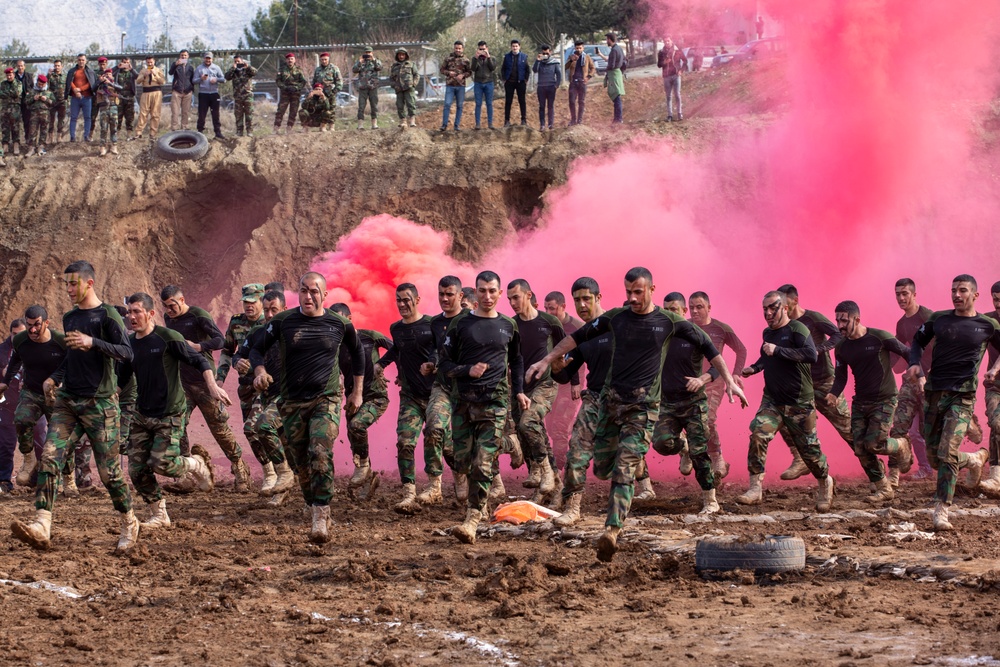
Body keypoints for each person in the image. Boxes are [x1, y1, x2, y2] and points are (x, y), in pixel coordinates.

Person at [526, 267, 746, 561]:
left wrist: (728, 380)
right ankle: (606, 498)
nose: (632, 298)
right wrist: (547, 360)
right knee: (602, 467)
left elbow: (708, 346)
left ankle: (612, 530)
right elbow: (577, 338)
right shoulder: (616, 318)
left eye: (638, 292)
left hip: (643, 410)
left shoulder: (669, 321)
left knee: (625, 467)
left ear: (652, 289)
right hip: (611, 404)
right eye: (628, 291)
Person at [10, 261, 137, 552]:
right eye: (65, 284)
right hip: (68, 400)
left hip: (100, 403)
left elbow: (127, 353)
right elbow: (70, 359)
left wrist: (93, 341)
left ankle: (129, 521)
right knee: (51, 457)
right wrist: (53, 379)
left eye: (73, 284)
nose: (68, 289)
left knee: (109, 473)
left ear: (89, 283)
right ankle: (42, 523)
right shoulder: (69, 317)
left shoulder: (107, 316)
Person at [251, 272, 365, 544]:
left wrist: (357, 392)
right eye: (304, 290)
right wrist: (259, 370)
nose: (309, 296)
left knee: (320, 451)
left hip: (326, 399)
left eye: (315, 291)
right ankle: (313, 505)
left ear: (325, 295)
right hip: (292, 403)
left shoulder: (339, 324)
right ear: (297, 293)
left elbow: (359, 353)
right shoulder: (283, 322)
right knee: (301, 463)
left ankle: (321, 515)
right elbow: (256, 349)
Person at [117, 292, 221, 530]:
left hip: (170, 412)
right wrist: (112, 395)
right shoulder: (130, 344)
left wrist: (212, 386)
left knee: (163, 464)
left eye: (137, 311)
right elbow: (122, 377)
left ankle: (195, 464)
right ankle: (159, 513)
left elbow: (200, 360)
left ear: (151, 314)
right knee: (137, 468)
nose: (131, 317)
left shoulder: (168, 338)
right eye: (129, 312)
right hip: (142, 413)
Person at [907, 275, 1000, 531]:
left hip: (963, 396)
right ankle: (974, 459)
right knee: (936, 458)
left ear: (975, 295)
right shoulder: (939, 319)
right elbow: (917, 341)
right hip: (934, 394)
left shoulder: (987, 325)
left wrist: (995, 368)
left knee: (947, 451)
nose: (956, 295)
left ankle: (942, 510)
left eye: (962, 291)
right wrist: (915, 363)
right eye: (953, 291)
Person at [440, 271, 527, 544]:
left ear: (499, 293)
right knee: (462, 461)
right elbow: (444, 365)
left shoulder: (509, 326)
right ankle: (510, 444)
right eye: (482, 291)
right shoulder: (459, 325)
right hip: (464, 401)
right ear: (473, 294)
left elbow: (517, 360)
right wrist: (468, 370)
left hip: (495, 401)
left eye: (492, 291)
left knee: (482, 463)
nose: (487, 296)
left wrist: (520, 390)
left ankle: (472, 519)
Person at [736, 291, 835, 514]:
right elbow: (766, 356)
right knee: (758, 433)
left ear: (785, 308)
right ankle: (755, 488)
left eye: (773, 308)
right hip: (772, 399)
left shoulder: (798, 329)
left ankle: (825, 482)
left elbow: (811, 355)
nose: (768, 313)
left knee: (810, 451)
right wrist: (755, 368)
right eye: (765, 309)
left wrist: (778, 350)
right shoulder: (767, 332)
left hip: (799, 402)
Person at [160, 285, 252, 492]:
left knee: (218, 427)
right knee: (177, 424)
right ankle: (184, 474)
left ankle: (240, 468)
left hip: (204, 380)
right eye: (165, 307)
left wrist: (199, 347)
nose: (169, 310)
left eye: (172, 305)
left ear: (182, 300)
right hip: (182, 381)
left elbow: (220, 340)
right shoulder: (168, 320)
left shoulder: (198, 315)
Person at [827, 300, 914, 502]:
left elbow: (907, 352)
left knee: (874, 444)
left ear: (857, 319)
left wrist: (916, 371)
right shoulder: (841, 347)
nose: (839, 325)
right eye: (837, 320)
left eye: (844, 321)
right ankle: (884, 487)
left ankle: (901, 445)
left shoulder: (879, 337)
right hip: (860, 401)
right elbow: (841, 376)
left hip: (884, 399)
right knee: (859, 447)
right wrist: (833, 393)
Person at [646, 293, 724, 513]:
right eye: (666, 308)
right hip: (667, 404)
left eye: (674, 309)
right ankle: (684, 448)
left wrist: (702, 379)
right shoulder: (658, 335)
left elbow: (717, 364)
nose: (669, 313)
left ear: (683, 312)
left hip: (693, 402)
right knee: (661, 444)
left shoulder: (695, 334)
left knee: (701, 453)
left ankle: (710, 499)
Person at [775, 284, 854, 479]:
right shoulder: (781, 325)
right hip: (800, 385)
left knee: (847, 429)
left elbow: (837, 334)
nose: (781, 308)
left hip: (824, 381)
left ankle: (874, 468)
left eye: (785, 304)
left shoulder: (812, 318)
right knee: (784, 418)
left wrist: (820, 349)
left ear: (795, 300)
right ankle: (800, 459)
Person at [507, 279, 573, 503]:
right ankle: (555, 486)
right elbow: (513, 360)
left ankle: (544, 472)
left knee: (528, 422)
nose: (513, 303)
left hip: (545, 383)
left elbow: (564, 350)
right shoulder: (511, 324)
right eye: (509, 299)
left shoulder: (550, 321)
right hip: (520, 387)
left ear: (529, 295)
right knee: (528, 432)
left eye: (516, 297)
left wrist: (569, 377)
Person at [550, 278, 609, 525]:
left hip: (627, 401)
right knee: (577, 452)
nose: (582, 305)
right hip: (594, 399)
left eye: (587, 298)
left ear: (598, 297)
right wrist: (555, 366)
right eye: (577, 300)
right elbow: (564, 374)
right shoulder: (582, 335)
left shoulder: (617, 324)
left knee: (612, 462)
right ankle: (572, 507)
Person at [376, 284, 440, 511]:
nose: (402, 305)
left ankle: (435, 485)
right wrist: (380, 365)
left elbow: (442, 349)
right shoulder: (396, 329)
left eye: (406, 300)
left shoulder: (432, 324)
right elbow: (397, 350)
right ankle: (409, 493)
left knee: (438, 438)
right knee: (405, 442)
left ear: (417, 299)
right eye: (399, 300)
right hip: (410, 395)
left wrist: (434, 364)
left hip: (435, 394)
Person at [232, 289, 295, 499]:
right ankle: (276, 476)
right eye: (266, 310)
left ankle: (293, 481)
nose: (269, 315)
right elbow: (241, 353)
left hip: (291, 395)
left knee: (274, 433)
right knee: (255, 429)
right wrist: (238, 362)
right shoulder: (258, 333)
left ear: (284, 309)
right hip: (267, 395)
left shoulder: (294, 331)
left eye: (273, 310)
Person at [329, 303, 391, 502]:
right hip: (352, 400)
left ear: (350, 318)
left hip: (375, 397)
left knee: (357, 426)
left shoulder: (368, 336)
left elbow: (398, 348)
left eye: (342, 320)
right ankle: (368, 479)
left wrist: (385, 366)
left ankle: (363, 467)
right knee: (355, 440)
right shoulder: (334, 347)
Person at [688, 291, 746, 479]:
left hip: (714, 381)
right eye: (691, 307)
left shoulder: (721, 328)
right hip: (690, 381)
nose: (695, 311)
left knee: (708, 418)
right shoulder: (685, 326)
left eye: (699, 307)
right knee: (689, 418)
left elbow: (741, 349)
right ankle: (688, 451)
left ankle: (717, 457)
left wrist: (736, 374)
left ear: (709, 308)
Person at [422, 276, 467, 501]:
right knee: (434, 427)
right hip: (443, 385)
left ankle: (461, 473)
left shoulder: (471, 320)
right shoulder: (436, 322)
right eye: (441, 294)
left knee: (465, 439)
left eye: (450, 294)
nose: (445, 298)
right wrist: (431, 362)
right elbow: (435, 348)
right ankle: (434, 485)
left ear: (460, 296)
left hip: (467, 388)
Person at [892, 278, 936, 478]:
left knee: (929, 429)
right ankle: (924, 468)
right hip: (912, 380)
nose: (901, 298)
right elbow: (899, 352)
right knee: (908, 428)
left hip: (933, 380)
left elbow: (942, 345)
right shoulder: (902, 324)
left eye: (905, 294)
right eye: (898, 294)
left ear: (914, 294)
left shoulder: (927, 316)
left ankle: (945, 463)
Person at [1, 317, 50, 493]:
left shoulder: (36, 347)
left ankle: (40, 479)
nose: (17, 337)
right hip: (8, 405)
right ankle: (4, 480)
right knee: (6, 443)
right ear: (9, 334)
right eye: (14, 334)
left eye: (20, 333)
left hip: (34, 402)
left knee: (40, 440)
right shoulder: (2, 351)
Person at [542, 290, 584, 467]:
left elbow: (582, 356)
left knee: (559, 427)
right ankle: (573, 452)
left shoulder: (578, 326)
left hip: (570, 385)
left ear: (563, 307)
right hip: (550, 384)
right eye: (546, 308)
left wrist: (576, 383)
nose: (548, 312)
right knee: (551, 427)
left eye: (552, 308)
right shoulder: (546, 324)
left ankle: (560, 469)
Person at [218, 283, 266, 422]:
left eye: (253, 302)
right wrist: (220, 379)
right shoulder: (236, 322)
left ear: (262, 301)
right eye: (245, 302)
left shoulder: (269, 322)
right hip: (245, 386)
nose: (248, 305)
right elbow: (227, 351)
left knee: (257, 427)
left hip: (264, 385)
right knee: (250, 433)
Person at [979, 281, 1000, 495]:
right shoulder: (987, 321)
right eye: (995, 299)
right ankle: (996, 477)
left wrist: (995, 368)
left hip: (994, 375)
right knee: (997, 424)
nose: (998, 303)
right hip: (994, 385)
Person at [440, 41, 472, 132]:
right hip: (450, 85)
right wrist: (449, 73)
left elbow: (469, 72)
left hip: (461, 86)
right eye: (456, 48)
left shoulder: (466, 60)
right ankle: (444, 125)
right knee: (447, 104)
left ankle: (456, 126)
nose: (458, 50)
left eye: (459, 48)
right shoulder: (448, 59)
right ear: (454, 48)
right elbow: (442, 69)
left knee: (460, 106)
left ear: (462, 49)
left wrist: (463, 75)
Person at [225, 55, 258, 137]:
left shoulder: (247, 70)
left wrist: (248, 67)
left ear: (242, 61)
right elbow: (227, 77)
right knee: (238, 115)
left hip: (247, 95)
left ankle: (249, 131)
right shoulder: (234, 72)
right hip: (238, 96)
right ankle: (239, 131)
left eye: (238, 61)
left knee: (249, 114)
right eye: (235, 61)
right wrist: (233, 68)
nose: (237, 63)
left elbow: (255, 72)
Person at [66, 54, 96, 143]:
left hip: (87, 98)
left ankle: (86, 136)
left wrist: (80, 89)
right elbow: (69, 82)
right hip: (75, 98)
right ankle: (72, 137)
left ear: (86, 61)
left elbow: (91, 83)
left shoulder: (90, 71)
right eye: (79, 60)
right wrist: (75, 90)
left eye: (83, 60)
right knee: (73, 117)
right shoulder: (72, 71)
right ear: (77, 60)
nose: (81, 61)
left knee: (87, 117)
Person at [194, 52, 225, 139]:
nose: (208, 60)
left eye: (209, 58)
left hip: (214, 94)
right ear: (204, 59)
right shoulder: (199, 68)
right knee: (202, 114)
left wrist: (216, 79)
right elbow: (193, 80)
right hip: (203, 94)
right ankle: (200, 132)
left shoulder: (216, 68)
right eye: (206, 58)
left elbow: (223, 79)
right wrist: (201, 79)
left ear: (212, 59)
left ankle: (218, 132)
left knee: (216, 114)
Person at [274, 53, 307, 134]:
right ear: (286, 60)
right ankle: (276, 128)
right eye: (288, 59)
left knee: (293, 111)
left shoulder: (299, 70)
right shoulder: (281, 70)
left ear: (294, 60)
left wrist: (296, 88)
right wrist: (285, 87)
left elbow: (303, 81)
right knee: (280, 110)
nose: (290, 60)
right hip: (285, 93)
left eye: (291, 59)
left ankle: (289, 127)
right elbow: (278, 81)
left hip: (295, 93)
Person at [134, 56, 165, 141]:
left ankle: (153, 133)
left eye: (151, 62)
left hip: (156, 92)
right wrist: (144, 75)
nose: (150, 64)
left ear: (154, 61)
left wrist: (155, 74)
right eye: (148, 62)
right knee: (143, 113)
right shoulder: (143, 71)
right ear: (146, 62)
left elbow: (162, 82)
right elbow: (138, 81)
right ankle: (138, 132)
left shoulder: (159, 70)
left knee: (155, 114)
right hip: (146, 92)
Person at [565, 41, 595, 126]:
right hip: (573, 82)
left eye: (580, 48)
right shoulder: (571, 57)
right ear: (575, 48)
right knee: (571, 101)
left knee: (581, 101)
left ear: (583, 48)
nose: (578, 50)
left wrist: (588, 77)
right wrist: (571, 60)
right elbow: (565, 67)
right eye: (577, 48)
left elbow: (593, 68)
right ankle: (573, 119)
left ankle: (580, 120)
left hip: (582, 82)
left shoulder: (587, 57)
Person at [93, 65, 122, 156]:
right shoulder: (100, 85)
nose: (108, 76)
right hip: (103, 108)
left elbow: (121, 88)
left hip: (113, 107)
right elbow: (93, 89)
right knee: (104, 128)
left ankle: (114, 145)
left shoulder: (114, 83)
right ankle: (102, 147)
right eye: (106, 74)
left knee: (114, 127)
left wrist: (110, 82)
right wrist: (99, 81)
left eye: (110, 74)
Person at [532, 45, 562, 131]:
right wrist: (537, 60)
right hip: (541, 87)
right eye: (543, 53)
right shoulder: (539, 62)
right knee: (541, 106)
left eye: (547, 53)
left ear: (550, 52)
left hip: (551, 87)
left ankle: (550, 124)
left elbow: (559, 74)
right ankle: (542, 125)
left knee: (550, 106)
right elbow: (534, 70)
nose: (545, 54)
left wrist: (557, 85)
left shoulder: (554, 62)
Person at [352, 46, 382, 130]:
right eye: (366, 52)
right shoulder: (361, 62)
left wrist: (374, 60)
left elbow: (379, 68)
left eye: (369, 52)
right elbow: (354, 70)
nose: (368, 54)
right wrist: (359, 62)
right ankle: (360, 124)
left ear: (372, 53)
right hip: (363, 87)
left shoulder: (376, 61)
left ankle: (374, 124)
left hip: (373, 87)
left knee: (374, 106)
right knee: (361, 106)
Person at [657, 37, 687, 122]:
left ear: (671, 41)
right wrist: (664, 62)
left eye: (668, 41)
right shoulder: (661, 53)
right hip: (666, 76)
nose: (666, 42)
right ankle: (669, 115)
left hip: (676, 75)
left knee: (677, 94)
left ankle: (679, 113)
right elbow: (659, 65)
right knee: (668, 96)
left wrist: (681, 70)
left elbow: (685, 61)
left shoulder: (677, 50)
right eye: (665, 41)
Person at [501, 40, 529, 127]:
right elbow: (503, 69)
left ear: (519, 47)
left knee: (522, 101)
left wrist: (525, 79)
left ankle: (523, 120)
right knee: (508, 101)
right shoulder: (507, 57)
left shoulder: (524, 57)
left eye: (516, 46)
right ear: (511, 47)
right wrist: (504, 79)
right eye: (513, 46)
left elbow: (527, 69)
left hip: (520, 82)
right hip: (509, 82)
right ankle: (506, 120)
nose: (515, 48)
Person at [390, 48, 418, 129]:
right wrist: (394, 85)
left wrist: (414, 84)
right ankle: (403, 121)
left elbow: (416, 75)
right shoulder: (394, 66)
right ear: (397, 56)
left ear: (405, 55)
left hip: (409, 88)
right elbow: (391, 78)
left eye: (403, 54)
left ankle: (412, 121)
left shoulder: (411, 64)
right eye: (399, 55)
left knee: (411, 104)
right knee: (400, 105)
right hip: (399, 89)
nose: (401, 56)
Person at [470, 41, 496, 130]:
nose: (482, 51)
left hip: (489, 82)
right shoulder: (475, 59)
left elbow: (492, 68)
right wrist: (476, 58)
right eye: (480, 49)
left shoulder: (492, 58)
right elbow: (473, 69)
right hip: (478, 83)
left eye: (483, 49)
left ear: (487, 48)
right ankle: (477, 124)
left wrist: (488, 57)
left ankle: (490, 123)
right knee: (478, 103)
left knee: (489, 103)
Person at [25, 74, 53, 156]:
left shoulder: (49, 92)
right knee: (32, 131)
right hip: (34, 114)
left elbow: (53, 103)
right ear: (37, 82)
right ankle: (31, 148)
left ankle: (41, 147)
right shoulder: (32, 91)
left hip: (45, 115)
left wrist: (46, 99)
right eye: (39, 84)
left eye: (42, 84)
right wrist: (33, 99)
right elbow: (26, 101)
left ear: (45, 83)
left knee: (44, 131)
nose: (41, 86)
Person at [168, 50, 195, 131]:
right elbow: (170, 73)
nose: (183, 57)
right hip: (177, 91)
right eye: (182, 55)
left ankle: (184, 127)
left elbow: (192, 79)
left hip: (187, 92)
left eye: (185, 55)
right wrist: (175, 65)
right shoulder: (175, 65)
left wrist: (191, 89)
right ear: (180, 56)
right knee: (175, 112)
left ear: (188, 56)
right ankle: (174, 128)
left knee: (186, 111)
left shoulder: (190, 67)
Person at [604, 33, 627, 125]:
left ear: (610, 39)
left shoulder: (614, 50)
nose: (606, 41)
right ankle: (617, 118)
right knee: (617, 96)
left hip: (614, 74)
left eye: (607, 39)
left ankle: (618, 119)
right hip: (618, 73)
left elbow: (611, 65)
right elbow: (625, 62)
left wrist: (606, 70)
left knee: (616, 96)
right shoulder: (619, 49)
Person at [112, 57, 137, 136]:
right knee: (118, 116)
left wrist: (131, 69)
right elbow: (109, 73)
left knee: (130, 116)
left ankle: (129, 134)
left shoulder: (131, 72)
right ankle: (117, 134)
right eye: (124, 62)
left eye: (127, 62)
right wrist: (117, 67)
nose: (126, 64)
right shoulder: (118, 72)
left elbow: (138, 76)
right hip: (119, 95)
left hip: (129, 96)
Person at [1, 67, 23, 157]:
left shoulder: (18, 83)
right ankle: (5, 144)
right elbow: (0, 94)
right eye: (7, 75)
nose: (9, 77)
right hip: (5, 108)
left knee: (15, 127)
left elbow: (17, 93)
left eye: (10, 75)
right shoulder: (3, 83)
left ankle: (16, 144)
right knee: (5, 126)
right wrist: (10, 93)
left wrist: (6, 93)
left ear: (14, 74)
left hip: (15, 108)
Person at [46, 59, 67, 142]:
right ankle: (50, 136)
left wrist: (67, 99)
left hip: (62, 101)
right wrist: (48, 75)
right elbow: (45, 86)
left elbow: (68, 88)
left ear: (62, 66)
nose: (57, 67)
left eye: (58, 65)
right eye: (55, 66)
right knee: (51, 119)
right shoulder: (50, 76)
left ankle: (59, 136)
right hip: (52, 101)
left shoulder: (65, 76)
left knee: (61, 119)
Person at [15, 60, 33, 138]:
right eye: (18, 66)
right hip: (16, 102)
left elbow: (32, 87)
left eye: (21, 66)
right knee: (15, 122)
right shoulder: (14, 76)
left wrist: (29, 94)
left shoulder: (29, 76)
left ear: (24, 66)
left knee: (27, 121)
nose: (20, 67)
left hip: (26, 102)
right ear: (16, 66)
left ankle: (27, 139)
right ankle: (16, 140)